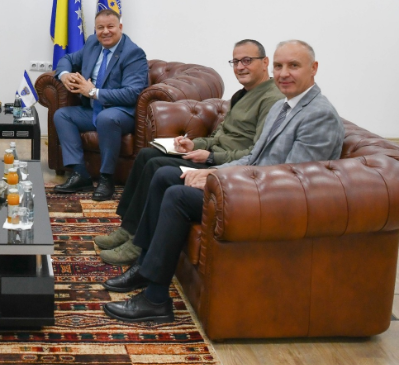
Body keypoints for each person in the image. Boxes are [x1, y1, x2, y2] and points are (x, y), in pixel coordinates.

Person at [101, 40, 345, 324]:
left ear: (313, 68)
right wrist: (213, 172)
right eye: (279, 66)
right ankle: (145, 266)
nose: (283, 73)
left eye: (293, 66)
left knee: (178, 196)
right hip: (252, 186)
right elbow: (254, 157)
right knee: (167, 175)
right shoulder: (284, 106)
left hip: (272, 202)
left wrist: (219, 178)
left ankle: (156, 300)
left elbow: (292, 182)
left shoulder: (319, 115)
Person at [95, 39, 282, 265]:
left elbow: (256, 153)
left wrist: (211, 157)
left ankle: (138, 243)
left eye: (247, 60)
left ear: (265, 62)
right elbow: (218, 137)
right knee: (146, 155)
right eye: (236, 61)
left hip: (224, 167)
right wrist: (194, 144)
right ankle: (128, 229)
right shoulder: (241, 95)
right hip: (210, 155)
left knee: (156, 166)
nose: (240, 67)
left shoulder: (272, 100)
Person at [53, 9, 149, 199]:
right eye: (100, 27)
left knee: (107, 118)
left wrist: (93, 92)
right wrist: (64, 75)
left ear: (120, 27)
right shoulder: (92, 44)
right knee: (62, 115)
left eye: (110, 26)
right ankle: (80, 173)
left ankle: (107, 179)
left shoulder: (133, 53)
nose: (105, 32)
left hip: (121, 113)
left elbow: (132, 93)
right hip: (93, 110)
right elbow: (67, 59)